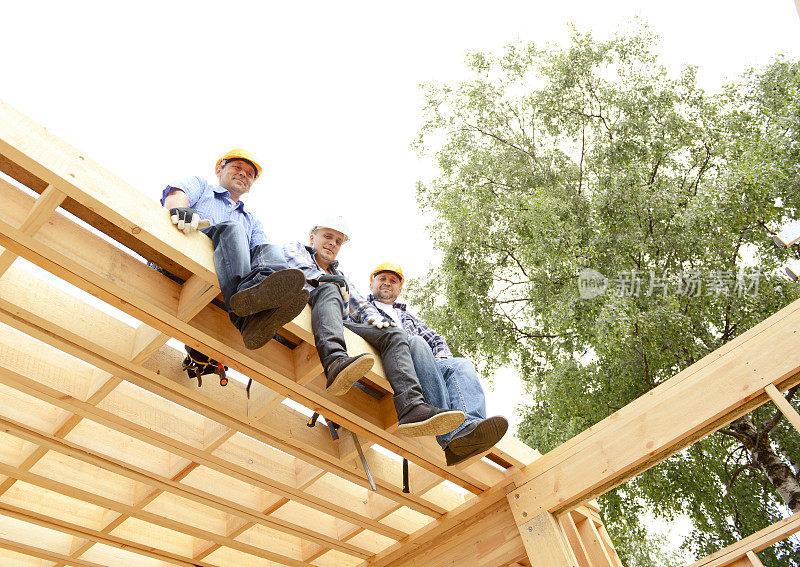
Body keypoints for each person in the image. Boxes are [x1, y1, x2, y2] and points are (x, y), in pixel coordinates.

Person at [283, 217, 466, 438]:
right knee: (330, 289)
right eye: (327, 237)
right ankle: (334, 363)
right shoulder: (295, 249)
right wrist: (329, 282)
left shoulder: (342, 277)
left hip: (339, 325)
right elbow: (303, 271)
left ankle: (412, 407)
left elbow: (360, 307)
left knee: (395, 334)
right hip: (307, 310)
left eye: (338, 241)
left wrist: (377, 321)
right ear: (313, 238)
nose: (332, 243)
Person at [161, 149, 308, 349]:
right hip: (188, 264)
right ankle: (243, 316)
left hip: (227, 284)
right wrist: (179, 209)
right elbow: (176, 194)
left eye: (249, 174)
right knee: (233, 229)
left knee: (270, 250)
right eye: (237, 167)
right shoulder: (202, 187)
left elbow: (262, 253)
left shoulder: (252, 221)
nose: (243, 174)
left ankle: (253, 302)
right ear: (219, 169)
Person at [367, 262, 508, 466]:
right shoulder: (362, 307)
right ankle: (449, 435)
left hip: (425, 366)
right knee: (416, 342)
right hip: (393, 365)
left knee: (460, 365)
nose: (387, 284)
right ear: (372, 284)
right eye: (382, 279)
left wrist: (441, 357)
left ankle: (470, 427)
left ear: (400, 288)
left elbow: (437, 340)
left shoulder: (409, 318)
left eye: (393, 281)